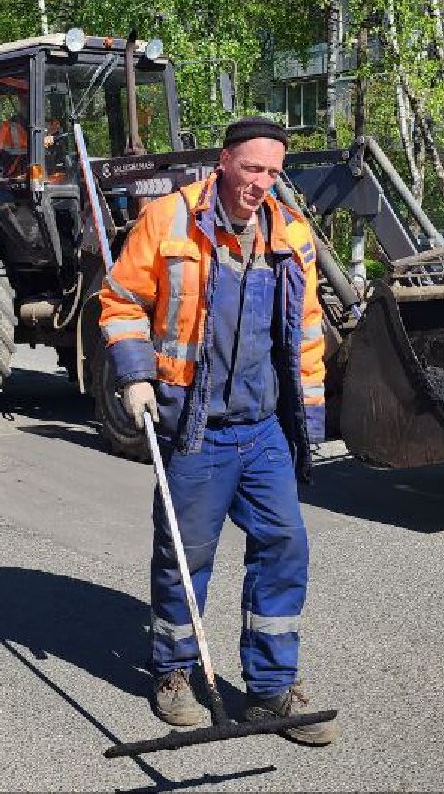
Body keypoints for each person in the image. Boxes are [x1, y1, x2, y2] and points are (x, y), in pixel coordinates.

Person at [95, 115, 337, 747]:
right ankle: (174, 673)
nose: (262, 183)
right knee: (185, 554)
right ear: (225, 162)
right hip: (195, 426)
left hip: (264, 431)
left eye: (273, 172)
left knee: (285, 547)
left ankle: (269, 689)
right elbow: (120, 300)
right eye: (252, 168)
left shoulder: (291, 236)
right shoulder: (170, 221)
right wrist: (135, 373)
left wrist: (308, 420)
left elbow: (307, 329)